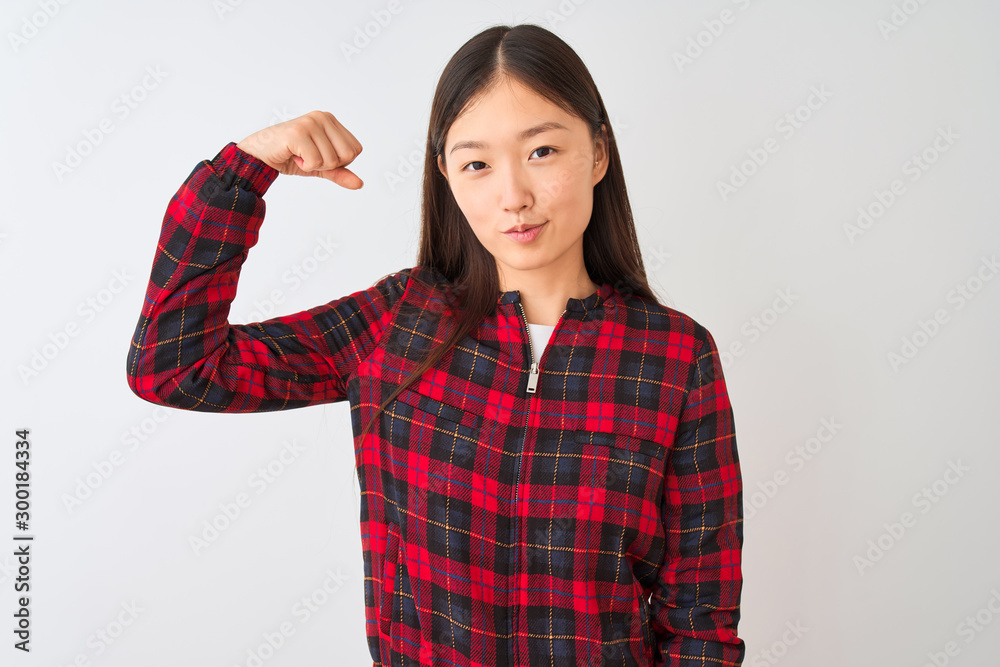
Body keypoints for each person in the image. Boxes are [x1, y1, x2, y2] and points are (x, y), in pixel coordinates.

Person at [125, 23, 745, 667]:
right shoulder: (398, 321)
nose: (514, 197)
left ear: (597, 153)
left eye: (542, 152)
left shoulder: (675, 356)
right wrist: (243, 174)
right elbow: (173, 367)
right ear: (446, 174)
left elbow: (700, 620)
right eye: (477, 163)